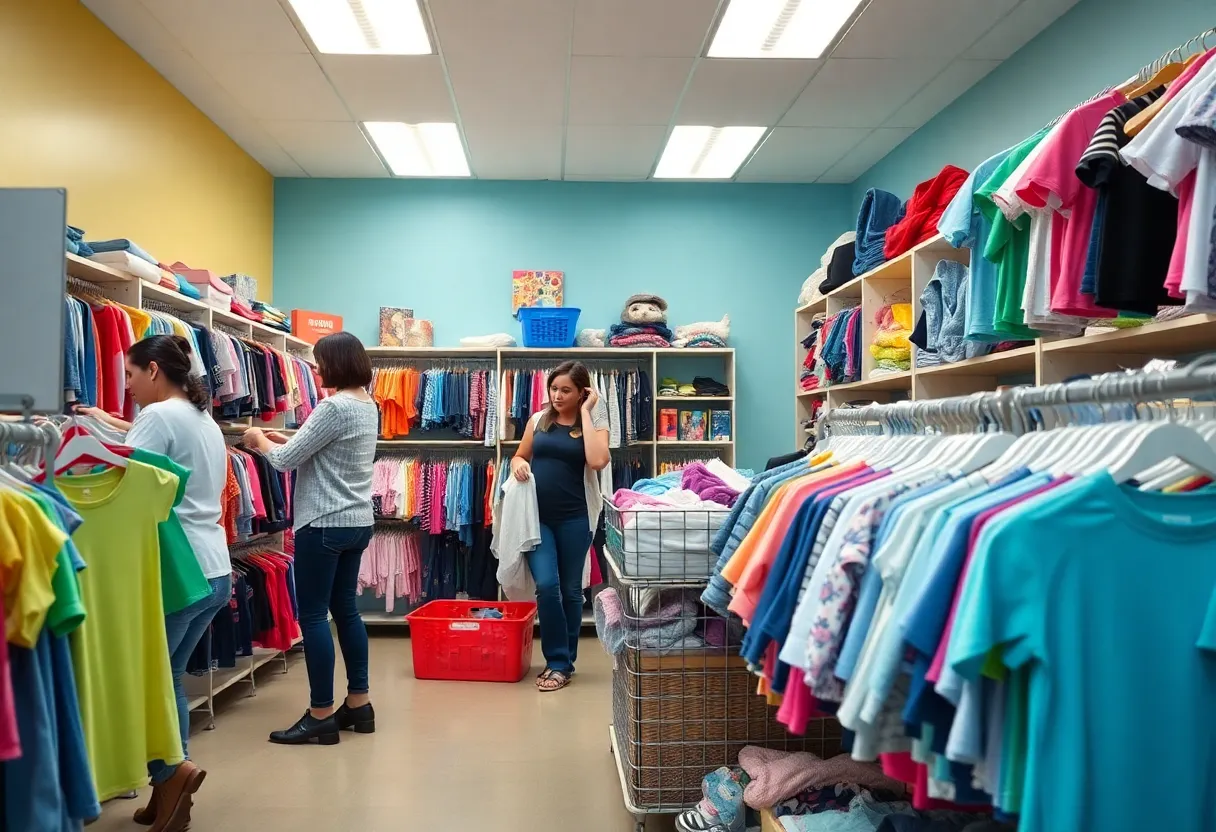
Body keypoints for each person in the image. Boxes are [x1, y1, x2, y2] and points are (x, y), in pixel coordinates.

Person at [76, 334, 230, 831]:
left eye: (131, 375)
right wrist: (107, 423)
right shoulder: (200, 418)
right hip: (214, 567)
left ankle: (173, 772)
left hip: (176, 569)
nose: (129, 386)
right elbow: (149, 455)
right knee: (166, 680)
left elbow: (121, 475)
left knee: (151, 686)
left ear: (155, 372)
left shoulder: (159, 418)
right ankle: (167, 785)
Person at [242, 331, 378, 745]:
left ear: (336, 362)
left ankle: (320, 713)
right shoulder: (365, 403)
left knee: (314, 616)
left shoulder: (333, 406)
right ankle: (359, 703)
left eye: (320, 361)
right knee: (347, 611)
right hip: (355, 521)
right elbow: (321, 449)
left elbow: (283, 461)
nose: (316, 369)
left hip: (323, 523)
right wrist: (288, 440)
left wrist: (258, 439)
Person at [510, 361, 610, 692]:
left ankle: (564, 662)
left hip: (576, 518)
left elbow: (597, 461)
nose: (557, 395)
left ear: (583, 392)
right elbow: (519, 455)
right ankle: (557, 660)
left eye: (566, 390)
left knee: (569, 590)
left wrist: (587, 411)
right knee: (547, 586)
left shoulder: (596, 423)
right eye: (554, 388)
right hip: (536, 517)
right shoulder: (538, 421)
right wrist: (520, 464)